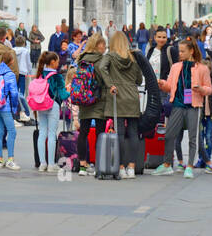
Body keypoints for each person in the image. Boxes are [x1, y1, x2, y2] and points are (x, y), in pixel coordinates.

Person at [153, 38, 212, 179]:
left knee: (193, 137)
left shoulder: (202, 68)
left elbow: (209, 89)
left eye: (182, 51)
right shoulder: (175, 67)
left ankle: (189, 166)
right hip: (177, 105)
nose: (179, 53)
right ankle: (167, 165)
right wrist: (162, 83)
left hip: (194, 106)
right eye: (179, 50)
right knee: (169, 135)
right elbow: (170, 86)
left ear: (191, 51)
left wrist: (201, 89)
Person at [95, 31, 143, 179]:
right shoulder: (133, 57)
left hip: (118, 96)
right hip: (132, 96)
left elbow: (101, 67)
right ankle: (132, 167)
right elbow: (139, 80)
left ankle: (121, 166)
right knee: (134, 132)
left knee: (120, 133)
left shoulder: (110, 56)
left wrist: (110, 84)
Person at [72, 33, 107, 176]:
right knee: (100, 133)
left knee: (84, 132)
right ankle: (98, 164)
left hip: (84, 99)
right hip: (98, 99)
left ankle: (82, 165)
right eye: (102, 44)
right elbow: (104, 79)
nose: (104, 47)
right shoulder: (101, 60)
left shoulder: (82, 59)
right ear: (97, 45)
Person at [29, 51, 69, 171]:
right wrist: (69, 91)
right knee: (52, 134)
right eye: (57, 61)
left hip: (41, 105)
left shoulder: (40, 74)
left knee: (42, 133)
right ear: (52, 62)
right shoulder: (57, 76)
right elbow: (62, 94)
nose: (58, 63)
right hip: (53, 105)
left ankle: (42, 163)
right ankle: (51, 164)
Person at [12, 34, 33, 123]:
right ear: (24, 43)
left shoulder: (12, 50)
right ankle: (25, 112)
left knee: (14, 92)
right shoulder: (25, 51)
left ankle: (17, 111)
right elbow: (28, 63)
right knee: (21, 92)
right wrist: (30, 71)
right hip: (23, 72)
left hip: (14, 72)